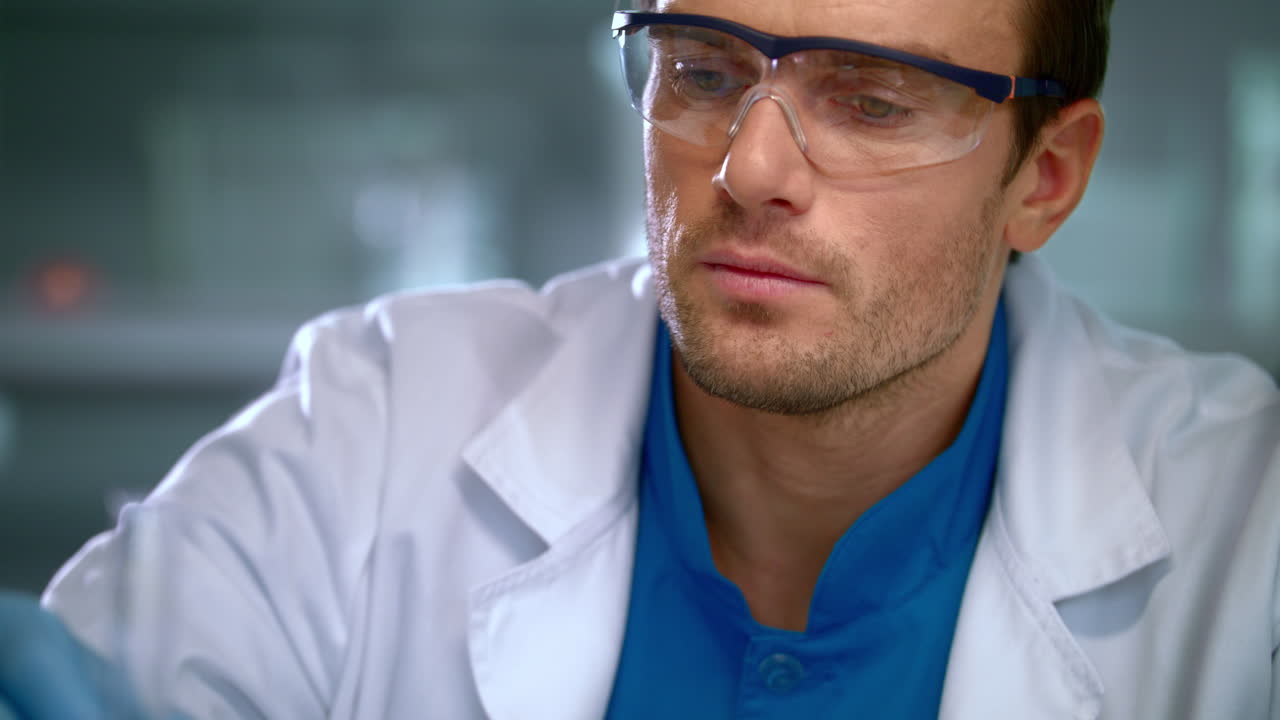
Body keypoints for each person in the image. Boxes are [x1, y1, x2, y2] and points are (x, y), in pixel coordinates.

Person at [2, 0, 1277, 717]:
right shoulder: (373, 427)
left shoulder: (1247, 530)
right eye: (704, 70)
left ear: (1042, 180)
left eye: (871, 99)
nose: (749, 170)